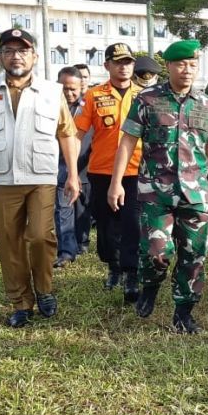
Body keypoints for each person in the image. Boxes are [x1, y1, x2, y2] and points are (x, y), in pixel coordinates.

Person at [0, 29, 80, 327]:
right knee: (9, 242)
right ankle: (21, 302)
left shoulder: (52, 91)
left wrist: (73, 176)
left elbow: (67, 133)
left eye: (23, 50)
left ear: (35, 56)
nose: (16, 56)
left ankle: (45, 290)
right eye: (9, 50)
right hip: (2, 179)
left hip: (41, 177)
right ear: (0, 57)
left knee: (40, 236)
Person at [109, 39, 208, 334]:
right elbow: (127, 142)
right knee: (156, 253)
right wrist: (116, 183)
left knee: (195, 255)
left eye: (192, 65)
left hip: (196, 192)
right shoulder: (148, 99)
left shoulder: (206, 103)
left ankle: (183, 312)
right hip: (156, 192)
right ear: (169, 67)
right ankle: (150, 286)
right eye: (181, 64)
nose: (187, 70)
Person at [74, 43, 143, 304]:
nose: (124, 66)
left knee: (133, 224)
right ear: (107, 66)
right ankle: (113, 266)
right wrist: (70, 166)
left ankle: (131, 272)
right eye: (118, 62)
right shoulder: (93, 95)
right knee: (105, 225)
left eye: (128, 62)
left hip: (135, 170)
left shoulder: (144, 95)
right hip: (101, 171)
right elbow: (78, 132)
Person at [54, 66, 92, 267]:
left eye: (73, 89)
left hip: (86, 163)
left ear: (81, 87)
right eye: (64, 88)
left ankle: (82, 241)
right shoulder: (49, 105)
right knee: (63, 207)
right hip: (58, 163)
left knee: (83, 206)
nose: (68, 93)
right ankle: (66, 250)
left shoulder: (88, 107)